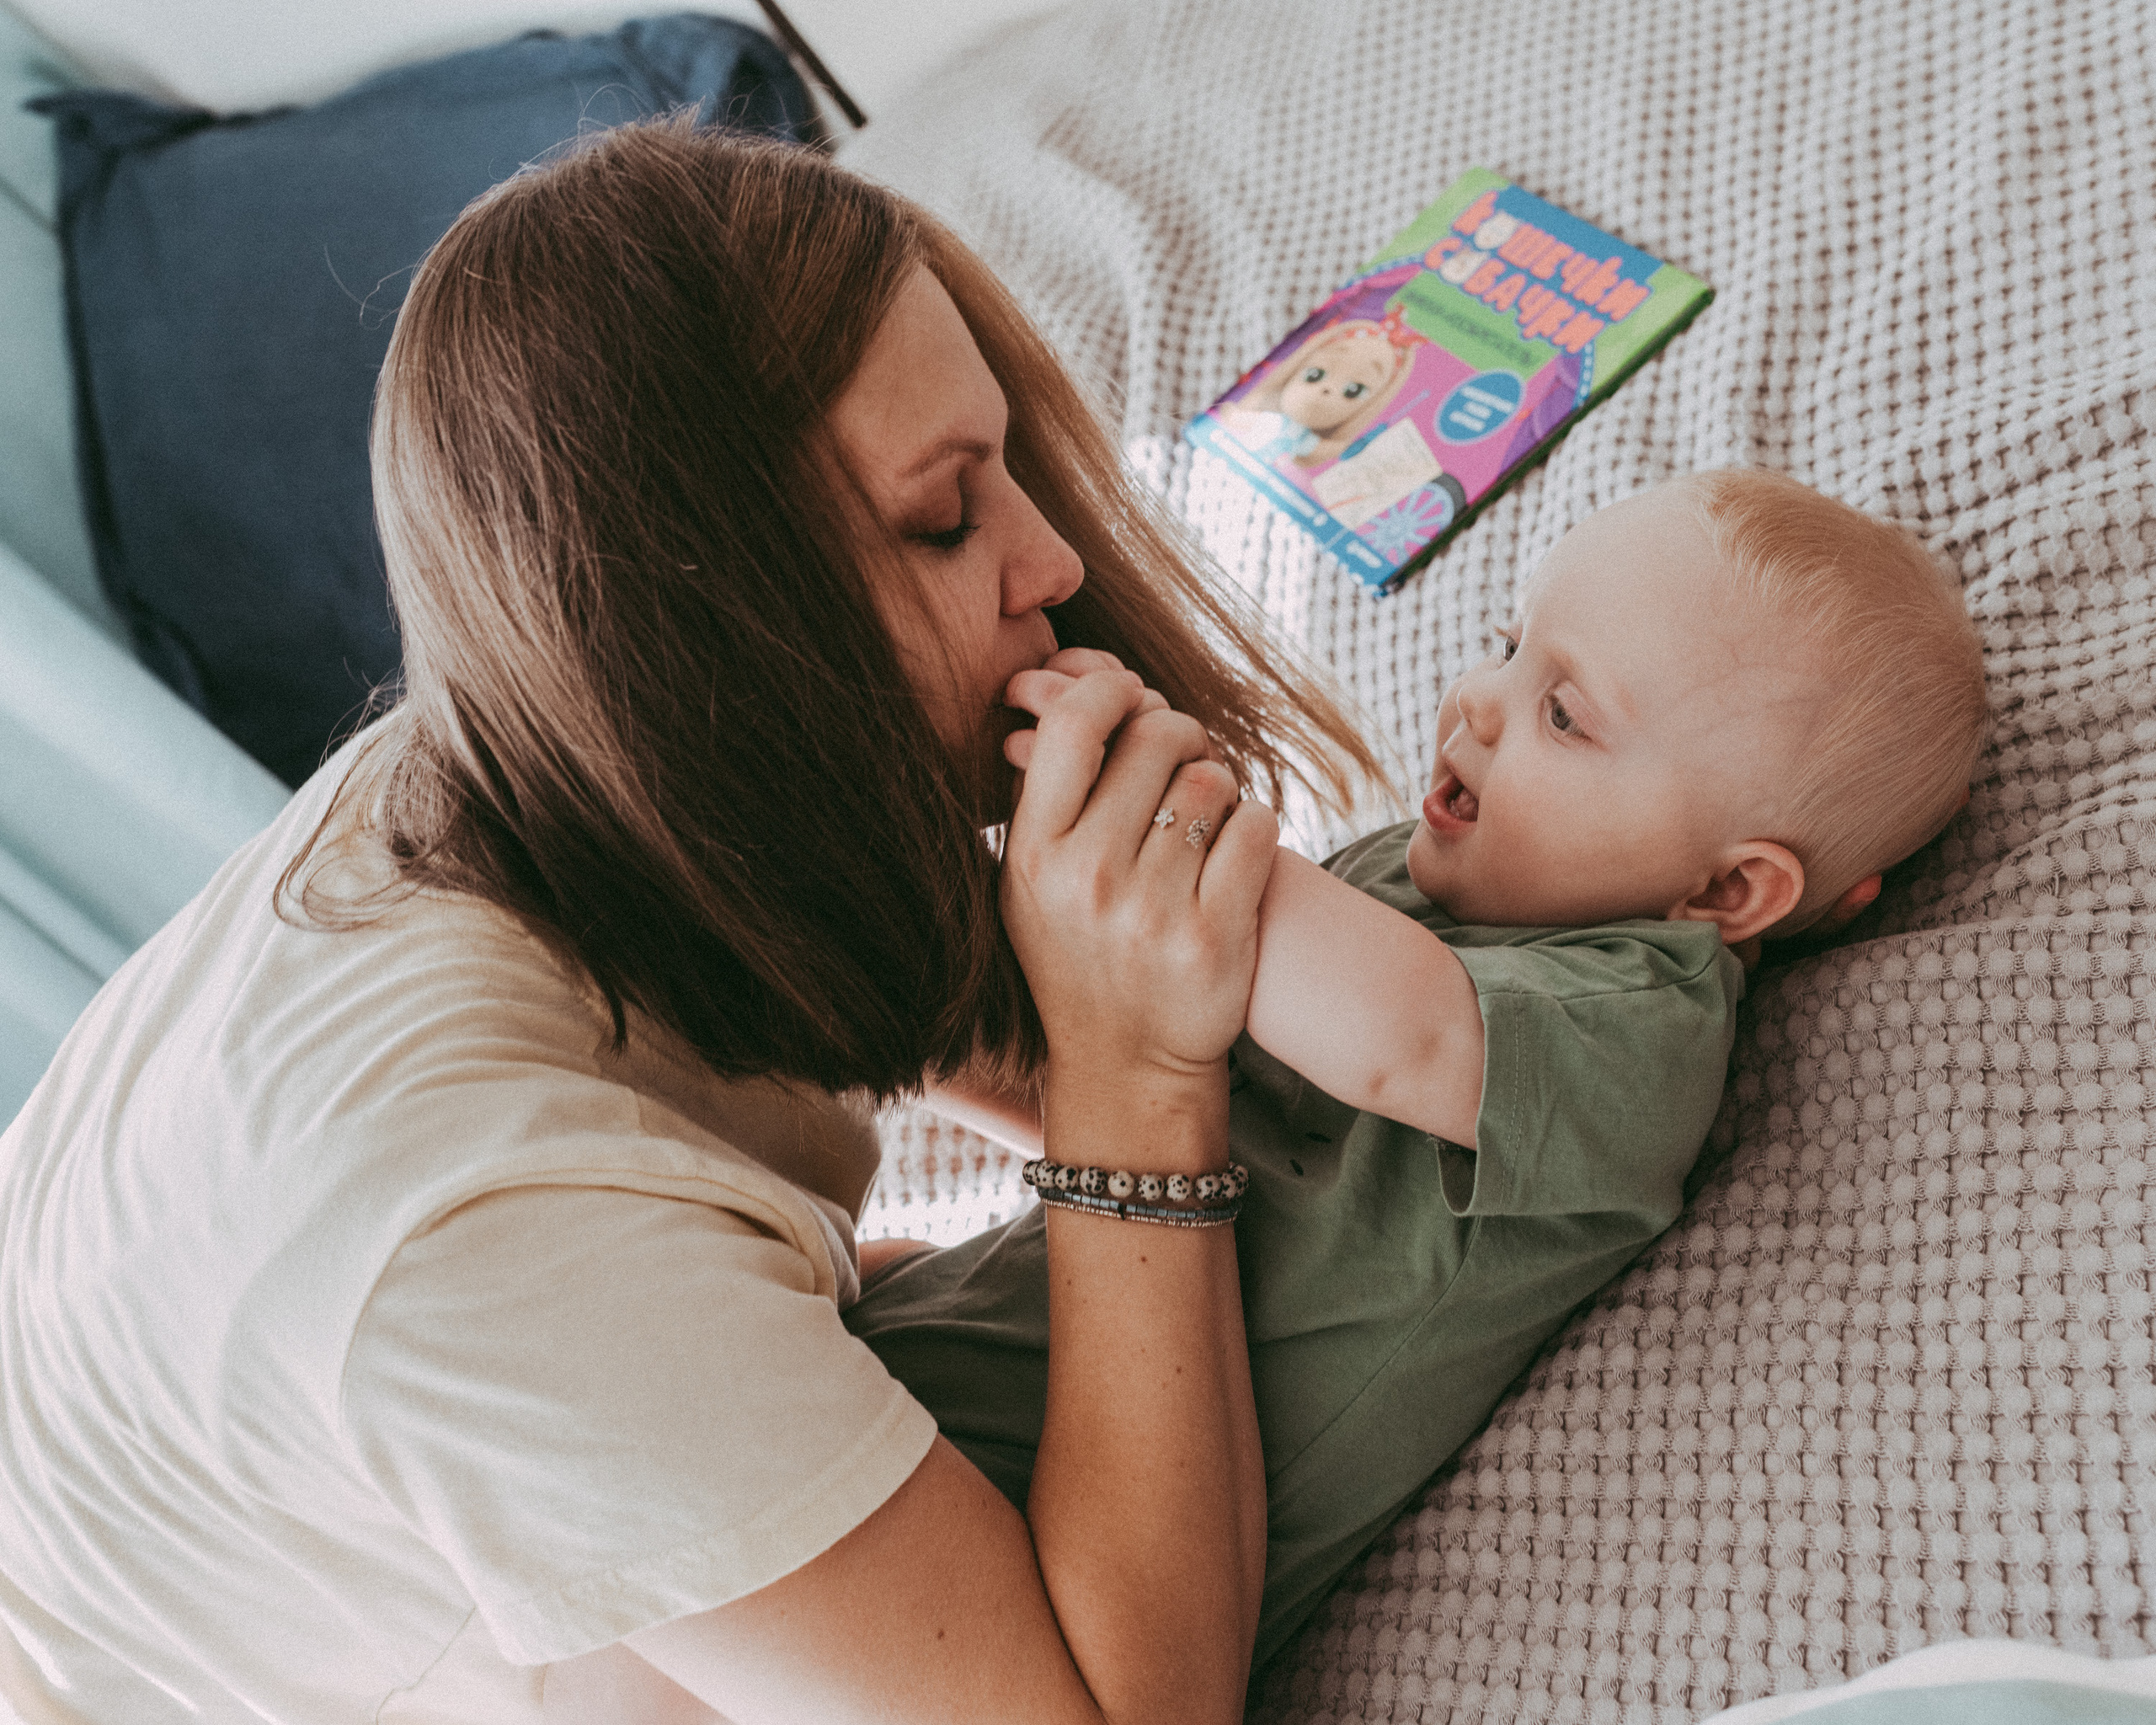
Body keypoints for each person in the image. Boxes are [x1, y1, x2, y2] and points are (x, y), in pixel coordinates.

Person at [0, 120, 1386, 1725]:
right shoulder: (487, 1231)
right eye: (947, 520)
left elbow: (893, 991)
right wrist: (1136, 1097)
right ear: (715, 646)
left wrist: (1201, 1042)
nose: (1055, 559)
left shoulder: (556, 747)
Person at [844, 466, 1990, 1666]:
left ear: (1724, 889)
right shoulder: (1416, 869)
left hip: (1066, 1530)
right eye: (1508, 645)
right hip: (986, 1334)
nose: (1478, 704)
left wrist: (1159, 809)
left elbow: (1400, 1039)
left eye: (1564, 714)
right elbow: (1142, 1058)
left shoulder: (1642, 1024)